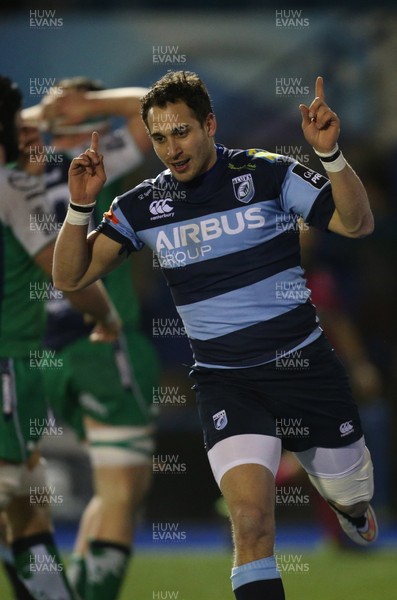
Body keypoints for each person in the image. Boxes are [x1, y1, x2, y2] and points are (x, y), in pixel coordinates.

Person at [53, 70, 377, 600]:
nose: (170, 149)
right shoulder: (139, 206)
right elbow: (69, 277)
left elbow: (356, 223)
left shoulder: (268, 174)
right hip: (227, 382)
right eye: (158, 138)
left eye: (180, 132)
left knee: (352, 496)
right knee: (250, 523)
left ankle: (351, 508)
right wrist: (81, 206)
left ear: (210, 124)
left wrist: (332, 155)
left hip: (306, 368)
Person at [22, 77, 160, 600]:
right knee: (123, 489)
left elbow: (157, 110)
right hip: (99, 339)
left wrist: (78, 108)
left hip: (45, 349)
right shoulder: (71, 161)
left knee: (113, 488)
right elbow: (156, 113)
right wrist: (68, 110)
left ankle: (73, 589)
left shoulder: (83, 158)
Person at [0, 75, 120, 600]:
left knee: (28, 503)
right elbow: (64, 273)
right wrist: (107, 318)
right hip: (8, 363)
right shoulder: (13, 190)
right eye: (20, 128)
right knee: (14, 496)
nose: (33, 137)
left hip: (20, 362)